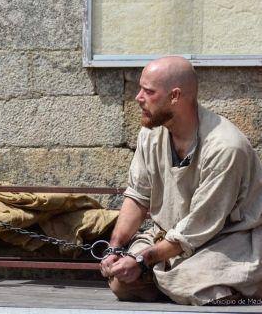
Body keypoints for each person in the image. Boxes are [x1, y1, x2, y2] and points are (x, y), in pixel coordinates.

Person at [100, 56, 262, 305]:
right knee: (122, 282)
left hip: (226, 239)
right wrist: (115, 248)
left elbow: (199, 225)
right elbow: (138, 195)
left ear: (174, 96)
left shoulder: (225, 147)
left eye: (148, 91)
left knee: (189, 285)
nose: (138, 97)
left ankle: (244, 290)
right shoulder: (150, 134)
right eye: (140, 88)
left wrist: (144, 259)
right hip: (167, 236)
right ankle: (168, 280)